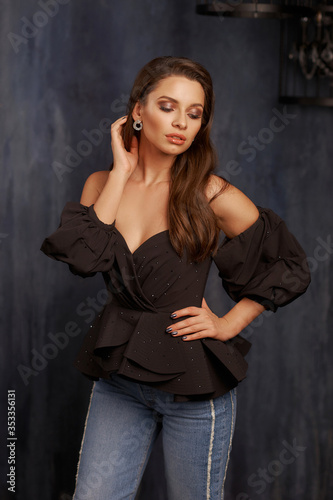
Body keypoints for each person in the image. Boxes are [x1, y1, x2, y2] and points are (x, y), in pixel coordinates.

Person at [41, 56, 311, 500]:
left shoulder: (210, 193)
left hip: (194, 389)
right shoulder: (100, 184)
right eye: (168, 106)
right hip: (120, 380)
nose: (181, 123)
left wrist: (229, 323)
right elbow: (81, 257)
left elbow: (288, 264)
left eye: (194, 113)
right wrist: (123, 172)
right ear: (137, 111)